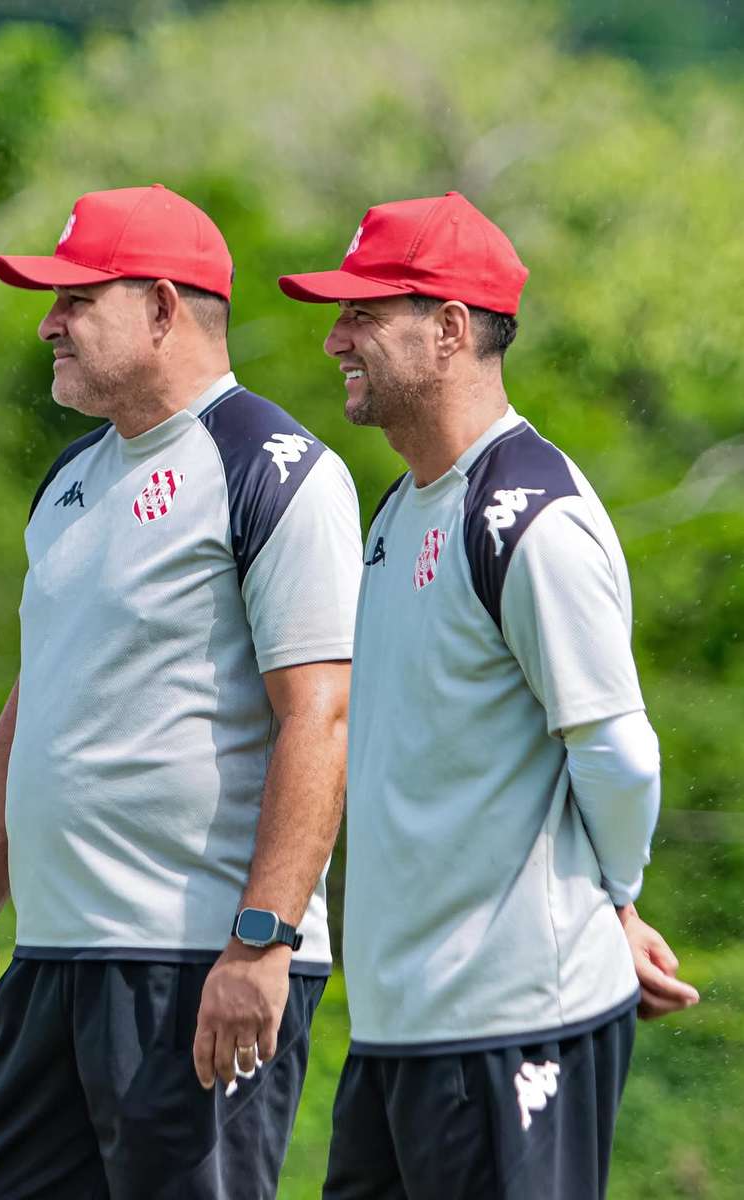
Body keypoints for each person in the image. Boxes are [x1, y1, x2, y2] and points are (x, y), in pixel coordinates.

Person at [0, 185, 362, 1199]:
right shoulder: (71, 481)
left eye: (76, 299)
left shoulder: (275, 469)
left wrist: (262, 938)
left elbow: (321, 716)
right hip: (53, 959)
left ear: (163, 309)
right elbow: (30, 705)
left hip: (196, 961)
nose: (49, 323)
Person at [278, 192, 701, 1200]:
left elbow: (618, 752)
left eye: (365, 316)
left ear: (452, 329)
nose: (337, 337)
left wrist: (613, 896)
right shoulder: (400, 508)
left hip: (513, 1021)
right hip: (399, 1028)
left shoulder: (532, 517)